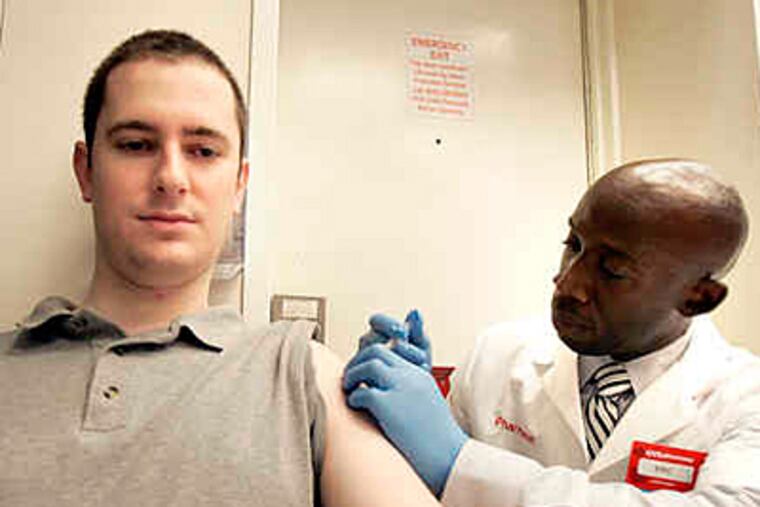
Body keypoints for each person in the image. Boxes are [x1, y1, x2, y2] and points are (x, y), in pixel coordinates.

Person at [0, 29, 439, 507]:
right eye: (136, 144)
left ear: (238, 187)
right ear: (86, 171)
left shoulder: (301, 373)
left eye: (203, 151)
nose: (171, 177)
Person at [343, 159, 760, 506]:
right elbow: (417, 492)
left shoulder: (746, 397)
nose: (567, 282)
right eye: (573, 244)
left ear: (696, 298)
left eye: (613, 270)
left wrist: (459, 461)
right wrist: (390, 429)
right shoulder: (497, 353)